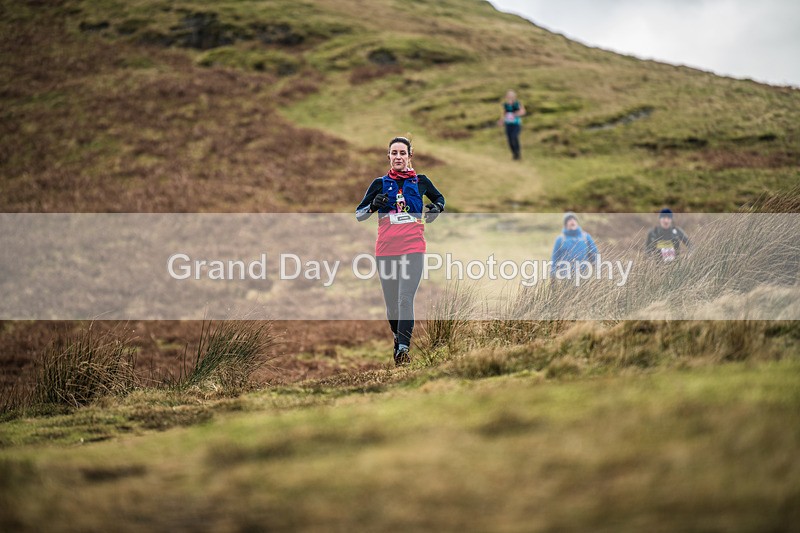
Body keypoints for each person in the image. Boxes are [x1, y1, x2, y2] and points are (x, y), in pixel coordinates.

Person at [356, 137, 445, 367]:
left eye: (402, 153)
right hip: (386, 250)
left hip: (413, 247)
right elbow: (359, 213)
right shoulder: (379, 183)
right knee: (392, 303)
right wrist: (374, 205)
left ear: (409, 156)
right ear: (388, 156)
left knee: (406, 298)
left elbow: (439, 198)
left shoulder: (421, 181)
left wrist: (437, 208)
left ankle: (403, 350)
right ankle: (398, 338)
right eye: (394, 153)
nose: (398, 157)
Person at [550, 212, 598, 282]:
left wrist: (598, 269)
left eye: (574, 219)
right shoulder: (560, 239)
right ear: (565, 224)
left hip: (584, 276)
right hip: (565, 277)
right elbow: (555, 258)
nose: (572, 221)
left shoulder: (586, 237)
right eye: (569, 220)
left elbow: (594, 254)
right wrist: (553, 275)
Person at [498, 90, 526, 160]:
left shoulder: (517, 104)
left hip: (516, 124)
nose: (510, 97)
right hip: (508, 124)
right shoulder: (506, 105)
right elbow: (504, 114)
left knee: (514, 137)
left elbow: (523, 112)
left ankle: (518, 154)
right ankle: (514, 155)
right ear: (506, 97)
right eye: (508, 96)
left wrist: (516, 114)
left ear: (514, 97)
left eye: (511, 96)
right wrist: (501, 121)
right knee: (510, 140)